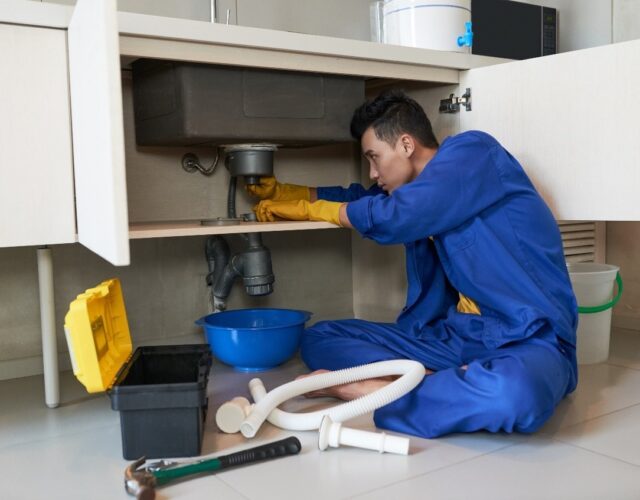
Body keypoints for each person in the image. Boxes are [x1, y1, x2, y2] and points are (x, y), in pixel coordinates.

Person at [247, 89, 578, 438]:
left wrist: (314, 210)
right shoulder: (415, 189)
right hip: (456, 337)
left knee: (516, 395)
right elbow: (362, 198)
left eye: (374, 157)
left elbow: (395, 215)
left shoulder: (474, 152)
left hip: (528, 338)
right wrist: (289, 193)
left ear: (406, 144)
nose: (373, 172)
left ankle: (370, 390)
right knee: (320, 338)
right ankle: (441, 387)